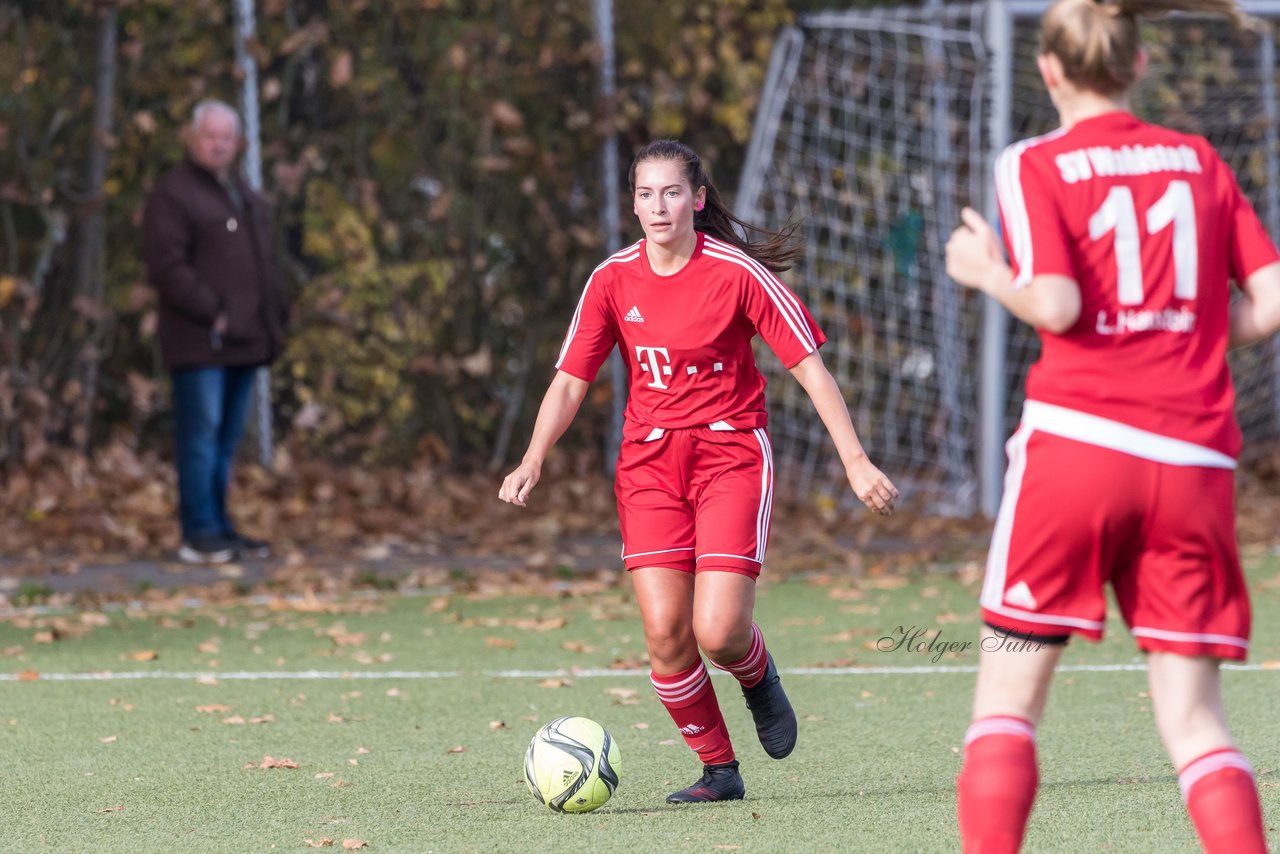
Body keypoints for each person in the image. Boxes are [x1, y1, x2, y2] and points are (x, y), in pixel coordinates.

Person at [945, 1, 1280, 851]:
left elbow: (1056, 303)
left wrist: (987, 274)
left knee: (1007, 711)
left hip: (1080, 450)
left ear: (1049, 71)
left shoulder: (1033, 162)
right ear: (1137, 65)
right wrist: (1195, 328)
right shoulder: (1199, 159)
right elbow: (1271, 301)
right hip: (1194, 463)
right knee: (1198, 727)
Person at [499, 139, 898, 803]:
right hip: (650, 466)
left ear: (698, 198)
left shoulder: (737, 273)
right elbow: (570, 381)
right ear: (633, 203)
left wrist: (854, 461)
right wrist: (533, 457)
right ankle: (720, 769)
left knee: (719, 632)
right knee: (665, 634)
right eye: (646, 194)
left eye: (672, 192)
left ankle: (758, 677)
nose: (658, 206)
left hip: (730, 457)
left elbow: (807, 367)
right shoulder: (611, 280)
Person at [143, 100, 289, 564]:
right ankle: (198, 532)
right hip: (200, 342)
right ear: (192, 137)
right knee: (200, 437)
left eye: (227, 137)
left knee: (226, 442)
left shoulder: (241, 191)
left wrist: (272, 318)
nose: (220, 144)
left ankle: (220, 527)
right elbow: (166, 265)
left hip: (245, 341)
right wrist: (213, 312)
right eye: (211, 135)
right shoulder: (174, 194)